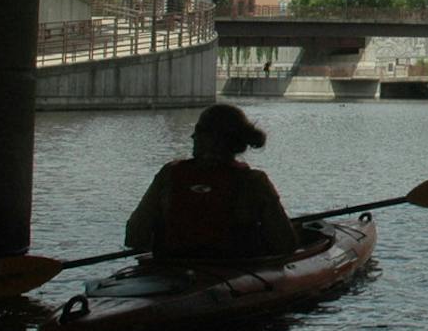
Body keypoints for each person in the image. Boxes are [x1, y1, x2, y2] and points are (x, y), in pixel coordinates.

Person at [125, 103, 301, 259]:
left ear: (212, 139)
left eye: (199, 130)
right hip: (234, 273)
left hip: (170, 267)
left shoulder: (170, 174)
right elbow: (285, 244)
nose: (192, 137)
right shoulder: (254, 181)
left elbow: (135, 236)